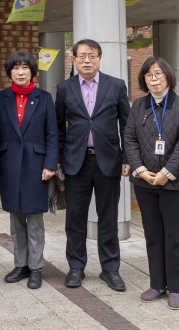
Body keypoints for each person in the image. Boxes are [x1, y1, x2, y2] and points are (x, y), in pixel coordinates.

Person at [56, 39, 130, 292]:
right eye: (82, 56)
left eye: (92, 55)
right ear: (74, 59)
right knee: (75, 218)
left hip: (108, 161)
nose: (87, 60)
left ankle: (110, 269)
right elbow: (58, 127)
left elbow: (126, 125)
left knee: (108, 218)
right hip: (76, 162)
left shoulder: (116, 85)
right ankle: (76, 267)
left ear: (99, 58)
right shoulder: (64, 88)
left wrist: (127, 158)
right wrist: (58, 158)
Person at [124, 57, 179, 310]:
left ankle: (176, 287)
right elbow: (130, 139)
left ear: (168, 76)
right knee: (153, 235)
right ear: (143, 79)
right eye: (148, 75)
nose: (153, 79)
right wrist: (141, 171)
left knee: (174, 236)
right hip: (145, 183)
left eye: (158, 74)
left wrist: (166, 172)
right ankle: (157, 284)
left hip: (176, 183)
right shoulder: (138, 106)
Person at [0, 51, 58, 290]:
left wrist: (50, 164)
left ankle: (36, 267)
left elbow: (52, 134)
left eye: (25, 68)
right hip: (9, 163)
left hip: (36, 165)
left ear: (32, 71)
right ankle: (20, 264)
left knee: (34, 219)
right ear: (9, 72)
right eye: (15, 68)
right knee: (15, 219)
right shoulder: (0, 98)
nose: (20, 72)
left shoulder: (44, 98)